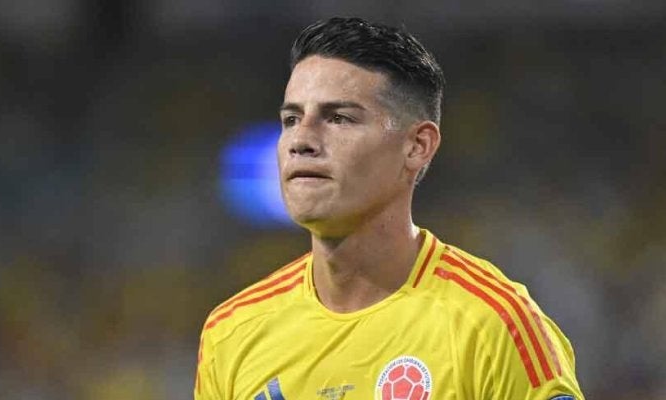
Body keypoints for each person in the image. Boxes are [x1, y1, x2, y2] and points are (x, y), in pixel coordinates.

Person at [195, 17, 584, 400]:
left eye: (339, 118)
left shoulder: (495, 324)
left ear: (417, 146)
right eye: (291, 119)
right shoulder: (232, 334)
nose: (301, 140)